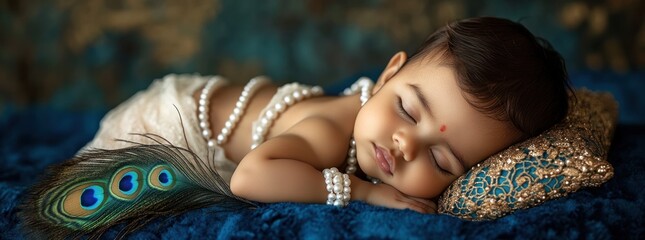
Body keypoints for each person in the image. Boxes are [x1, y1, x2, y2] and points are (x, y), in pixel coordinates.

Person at [75, 17, 572, 214]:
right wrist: (365, 192)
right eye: (405, 108)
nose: (406, 145)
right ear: (386, 75)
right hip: (168, 121)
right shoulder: (330, 131)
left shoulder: (374, 128)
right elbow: (250, 177)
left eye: (442, 162)